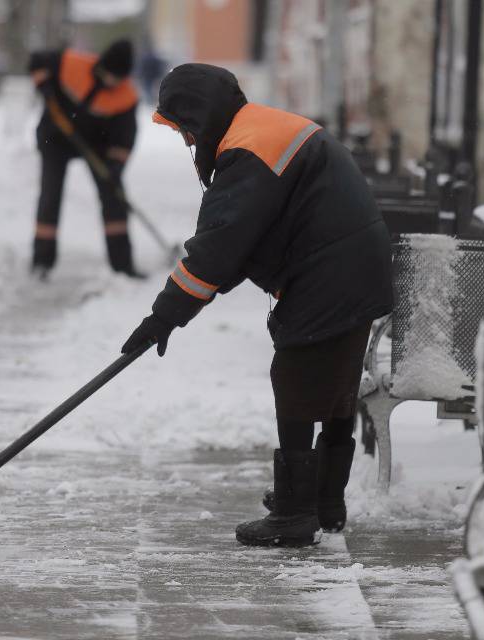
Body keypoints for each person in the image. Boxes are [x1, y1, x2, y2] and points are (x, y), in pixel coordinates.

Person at [121, 64, 393, 548]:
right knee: (335, 386)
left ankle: (295, 515)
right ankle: (323, 502)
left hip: (330, 270)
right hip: (353, 264)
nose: (186, 140)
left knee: (296, 379)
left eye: (184, 128)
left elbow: (219, 248)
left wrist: (162, 317)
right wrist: (184, 305)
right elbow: (240, 245)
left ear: (201, 117)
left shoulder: (249, 150)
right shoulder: (259, 128)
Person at [28, 39, 143, 279]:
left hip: (97, 145)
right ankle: (42, 261)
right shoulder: (71, 63)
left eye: (117, 78)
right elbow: (36, 61)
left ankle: (122, 264)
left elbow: (125, 137)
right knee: (50, 196)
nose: (111, 81)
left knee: (113, 196)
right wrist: (44, 85)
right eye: (109, 74)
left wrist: (116, 166)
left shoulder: (126, 97)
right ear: (101, 65)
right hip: (55, 138)